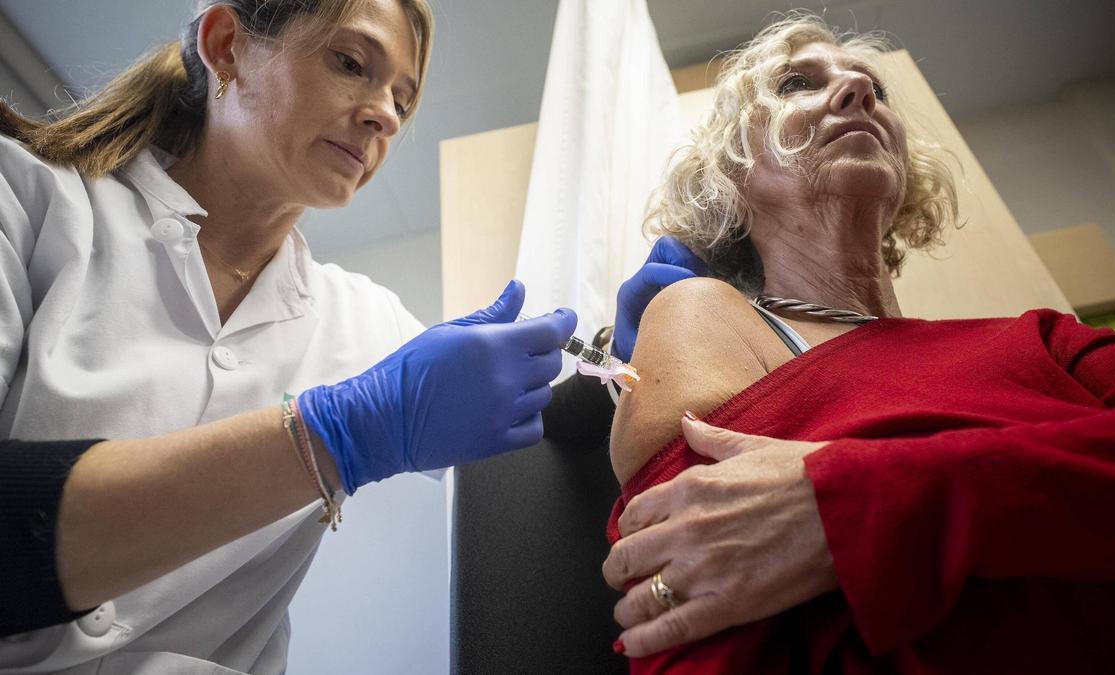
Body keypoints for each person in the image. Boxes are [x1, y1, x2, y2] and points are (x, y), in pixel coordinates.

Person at [0, 0, 703, 671]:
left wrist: (621, 370)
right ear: (226, 46)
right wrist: (331, 437)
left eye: (402, 98)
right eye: (349, 62)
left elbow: (529, 446)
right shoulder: (30, 205)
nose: (383, 116)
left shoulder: (363, 320)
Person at [600, 12, 1115, 673]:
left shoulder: (1040, 338)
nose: (857, 92)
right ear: (731, 174)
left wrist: (866, 503)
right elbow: (716, 639)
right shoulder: (702, 317)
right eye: (799, 82)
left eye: (873, 89)